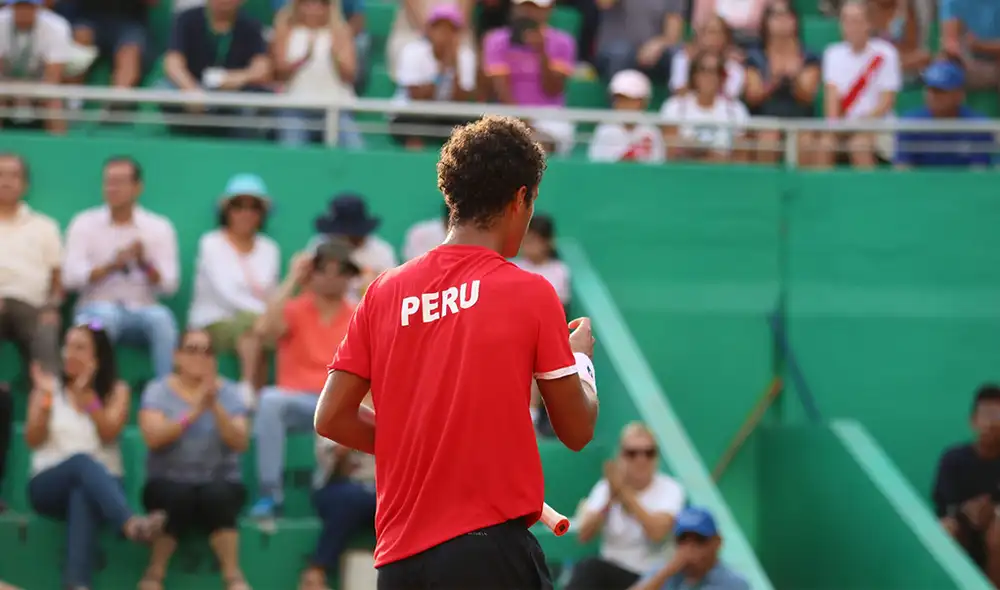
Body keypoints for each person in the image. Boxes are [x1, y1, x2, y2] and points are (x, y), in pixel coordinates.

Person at [315, 115, 600, 589]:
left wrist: (428, 452)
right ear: (520, 198)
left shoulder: (384, 292)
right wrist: (580, 362)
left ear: (454, 198)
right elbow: (577, 428)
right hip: (489, 555)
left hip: (400, 564)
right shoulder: (531, 292)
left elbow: (331, 416)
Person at [25, 323, 165, 589]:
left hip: (104, 486)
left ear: (97, 356)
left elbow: (108, 434)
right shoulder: (47, 388)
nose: (70, 353)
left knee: (82, 493)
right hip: (47, 485)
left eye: (80, 348)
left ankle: (77, 584)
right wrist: (46, 401)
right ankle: (129, 524)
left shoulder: (117, 390)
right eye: (68, 346)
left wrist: (89, 400)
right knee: (81, 463)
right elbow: (33, 439)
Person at [249, 240, 359, 519]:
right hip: (298, 401)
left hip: (337, 402)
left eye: (340, 271)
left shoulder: (358, 314)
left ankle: (336, 492)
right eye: (323, 270)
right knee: (269, 400)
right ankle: (270, 495)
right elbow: (263, 331)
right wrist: (292, 279)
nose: (331, 278)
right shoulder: (295, 308)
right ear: (312, 274)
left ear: (349, 276)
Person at [137, 328, 250, 590]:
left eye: (207, 351)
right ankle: (154, 574)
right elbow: (153, 437)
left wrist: (215, 406)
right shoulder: (158, 391)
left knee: (217, 495)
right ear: (177, 356)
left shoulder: (229, 392)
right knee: (180, 496)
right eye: (192, 349)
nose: (200, 357)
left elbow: (240, 441)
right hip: (168, 482)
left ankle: (233, 576)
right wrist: (195, 411)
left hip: (218, 481)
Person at [63, 156, 180, 379]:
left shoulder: (159, 227)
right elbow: (70, 279)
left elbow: (169, 286)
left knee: (163, 320)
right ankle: (101, 390)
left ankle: (165, 392)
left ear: (137, 188)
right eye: (108, 182)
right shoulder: (84, 223)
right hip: (91, 312)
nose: (112, 188)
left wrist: (144, 264)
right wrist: (111, 266)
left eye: (120, 182)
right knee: (105, 318)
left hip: (142, 312)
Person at [188, 174, 280, 402]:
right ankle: (247, 390)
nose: (246, 214)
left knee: (274, 330)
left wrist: (267, 319)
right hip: (213, 320)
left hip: (259, 321)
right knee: (251, 326)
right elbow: (225, 292)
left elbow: (272, 293)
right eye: (238, 207)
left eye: (253, 208)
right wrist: (262, 317)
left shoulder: (270, 248)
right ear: (227, 212)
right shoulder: (210, 243)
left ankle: (268, 397)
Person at [568, 423, 686, 590]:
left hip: (651, 577)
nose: (641, 460)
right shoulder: (605, 488)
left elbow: (658, 533)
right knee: (588, 568)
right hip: (610, 571)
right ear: (620, 456)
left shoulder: (670, 489)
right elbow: (584, 535)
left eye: (649, 453)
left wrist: (624, 493)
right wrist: (609, 500)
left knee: (591, 569)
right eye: (632, 453)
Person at [300, 410, 377, 590]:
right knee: (349, 499)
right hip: (336, 487)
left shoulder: (399, 411)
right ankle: (315, 574)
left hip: (380, 491)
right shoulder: (336, 408)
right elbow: (337, 457)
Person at [933, 384, 1000, 581]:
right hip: (962, 528)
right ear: (973, 421)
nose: (992, 423)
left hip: (994, 534)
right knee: (946, 529)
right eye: (987, 416)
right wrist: (966, 512)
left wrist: (993, 512)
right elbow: (944, 506)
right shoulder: (953, 459)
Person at [895, 59, 994, 168]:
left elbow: (980, 170)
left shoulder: (977, 126)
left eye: (940, 91)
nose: (933, 96)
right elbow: (903, 168)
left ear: (959, 94)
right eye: (930, 90)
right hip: (922, 179)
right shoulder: (911, 124)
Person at [630, 507, 750, 590]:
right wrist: (666, 573)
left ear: (717, 542)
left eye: (699, 539)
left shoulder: (734, 583)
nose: (690, 547)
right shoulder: (662, 572)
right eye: (683, 539)